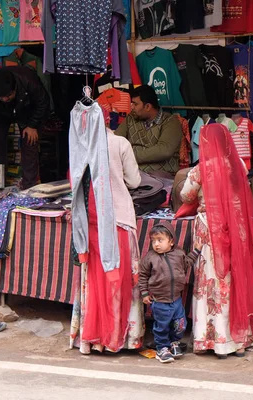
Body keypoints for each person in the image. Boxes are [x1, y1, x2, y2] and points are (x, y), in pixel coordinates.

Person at [180, 123, 253, 359]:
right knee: (233, 279)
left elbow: (186, 195)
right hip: (235, 226)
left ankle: (214, 340)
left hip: (209, 227)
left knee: (210, 281)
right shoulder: (237, 167)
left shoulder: (200, 170)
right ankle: (239, 339)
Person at [69, 112, 145, 354]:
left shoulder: (80, 144)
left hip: (90, 219)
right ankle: (119, 337)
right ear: (109, 122)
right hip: (118, 216)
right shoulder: (120, 143)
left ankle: (93, 339)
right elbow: (134, 181)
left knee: (94, 279)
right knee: (118, 278)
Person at [0, 66, 50, 189]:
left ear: (15, 87)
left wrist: (32, 125)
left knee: (30, 141)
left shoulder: (28, 80)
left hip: (27, 110)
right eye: (2, 97)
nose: (5, 99)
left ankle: (30, 186)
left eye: (8, 95)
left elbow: (43, 102)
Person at [138, 222, 200, 363]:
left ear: (171, 241)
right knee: (162, 326)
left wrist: (197, 250)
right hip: (160, 300)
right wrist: (144, 293)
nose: (156, 244)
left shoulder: (179, 254)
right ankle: (162, 349)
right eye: (153, 241)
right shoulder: (150, 258)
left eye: (160, 240)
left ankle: (174, 343)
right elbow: (143, 276)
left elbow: (187, 262)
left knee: (180, 324)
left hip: (176, 299)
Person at [115, 85, 183, 175]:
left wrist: (130, 157)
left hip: (162, 177)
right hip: (132, 174)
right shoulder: (131, 118)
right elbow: (116, 141)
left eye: (135, 104)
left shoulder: (170, 121)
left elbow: (164, 150)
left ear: (147, 106)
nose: (131, 107)